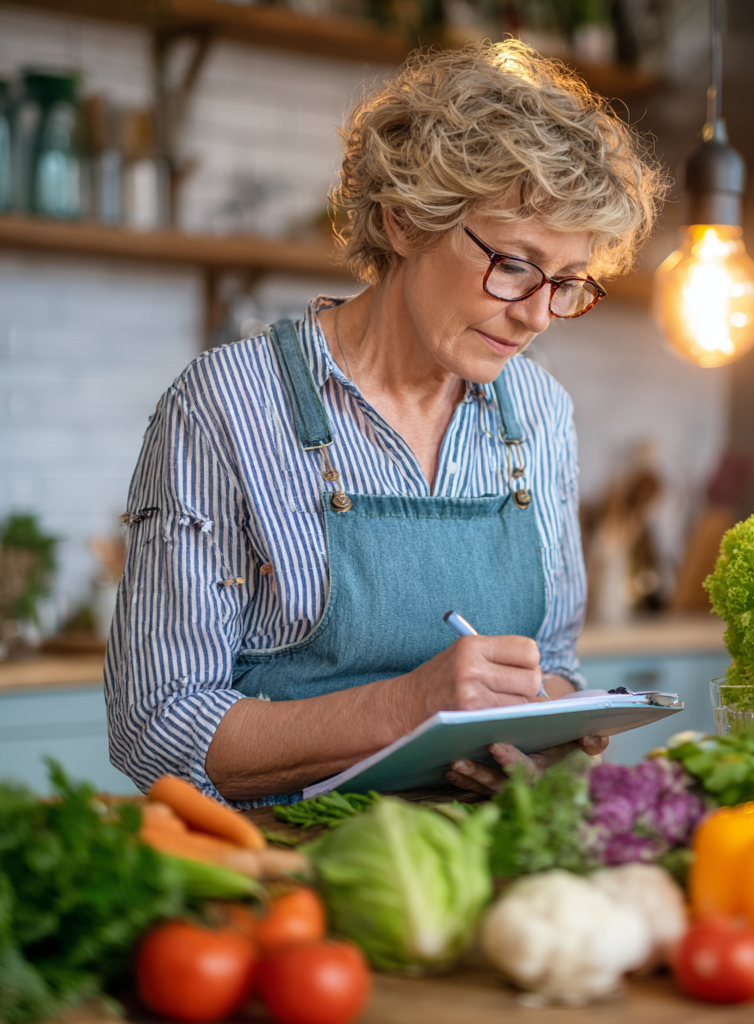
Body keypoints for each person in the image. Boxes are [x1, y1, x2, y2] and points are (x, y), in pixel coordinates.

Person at [104, 40, 666, 806]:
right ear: (404, 221)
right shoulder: (226, 406)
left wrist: (540, 735)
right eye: (513, 265)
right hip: (291, 873)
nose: (538, 315)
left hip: (480, 858)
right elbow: (157, 728)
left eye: (568, 284)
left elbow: (553, 660)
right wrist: (410, 708)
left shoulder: (539, 414)